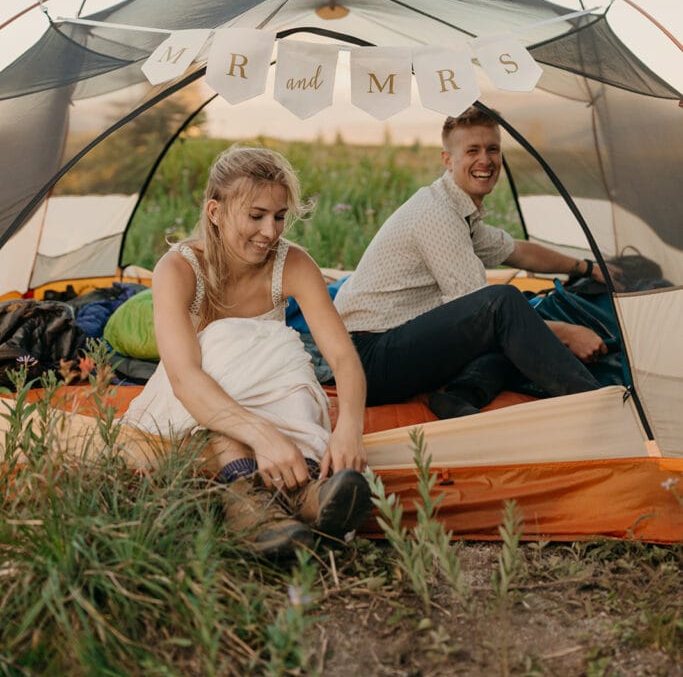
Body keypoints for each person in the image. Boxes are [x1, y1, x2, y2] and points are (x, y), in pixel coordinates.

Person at [121, 146, 370, 558]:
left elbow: (343, 358)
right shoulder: (178, 269)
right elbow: (185, 378)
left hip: (271, 397)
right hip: (193, 402)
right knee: (225, 340)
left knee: (286, 354)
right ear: (216, 212)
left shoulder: (292, 263)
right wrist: (262, 435)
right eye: (256, 216)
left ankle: (304, 496)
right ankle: (248, 497)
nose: (270, 232)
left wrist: (350, 429)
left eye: (279, 216)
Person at [333, 108, 611, 419]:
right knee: (505, 304)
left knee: (519, 322)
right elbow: (489, 315)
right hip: (364, 362)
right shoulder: (436, 214)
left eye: (493, 149)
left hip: (390, 346)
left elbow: (518, 252)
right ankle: (596, 406)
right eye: (472, 151)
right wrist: (567, 333)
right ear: (448, 160)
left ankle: (461, 395)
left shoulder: (457, 209)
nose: (486, 160)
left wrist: (586, 267)